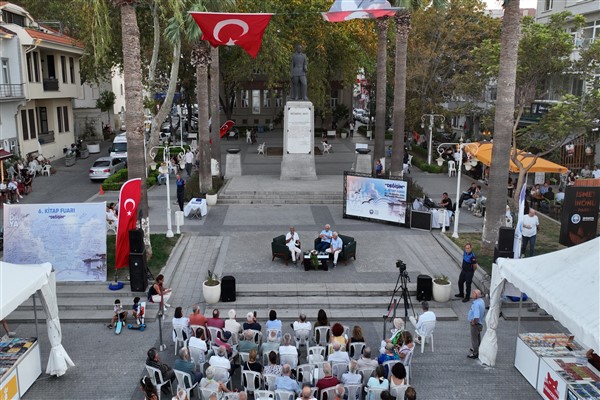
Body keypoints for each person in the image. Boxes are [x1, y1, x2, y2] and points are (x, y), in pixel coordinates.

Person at [467, 289, 485, 359]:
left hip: (476, 324)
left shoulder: (477, 304)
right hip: (480, 323)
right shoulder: (481, 301)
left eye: (473, 293)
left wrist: (474, 322)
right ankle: (478, 348)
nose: (472, 294)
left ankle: (475, 353)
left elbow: (476, 316)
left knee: (474, 339)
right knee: (478, 337)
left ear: (476, 295)